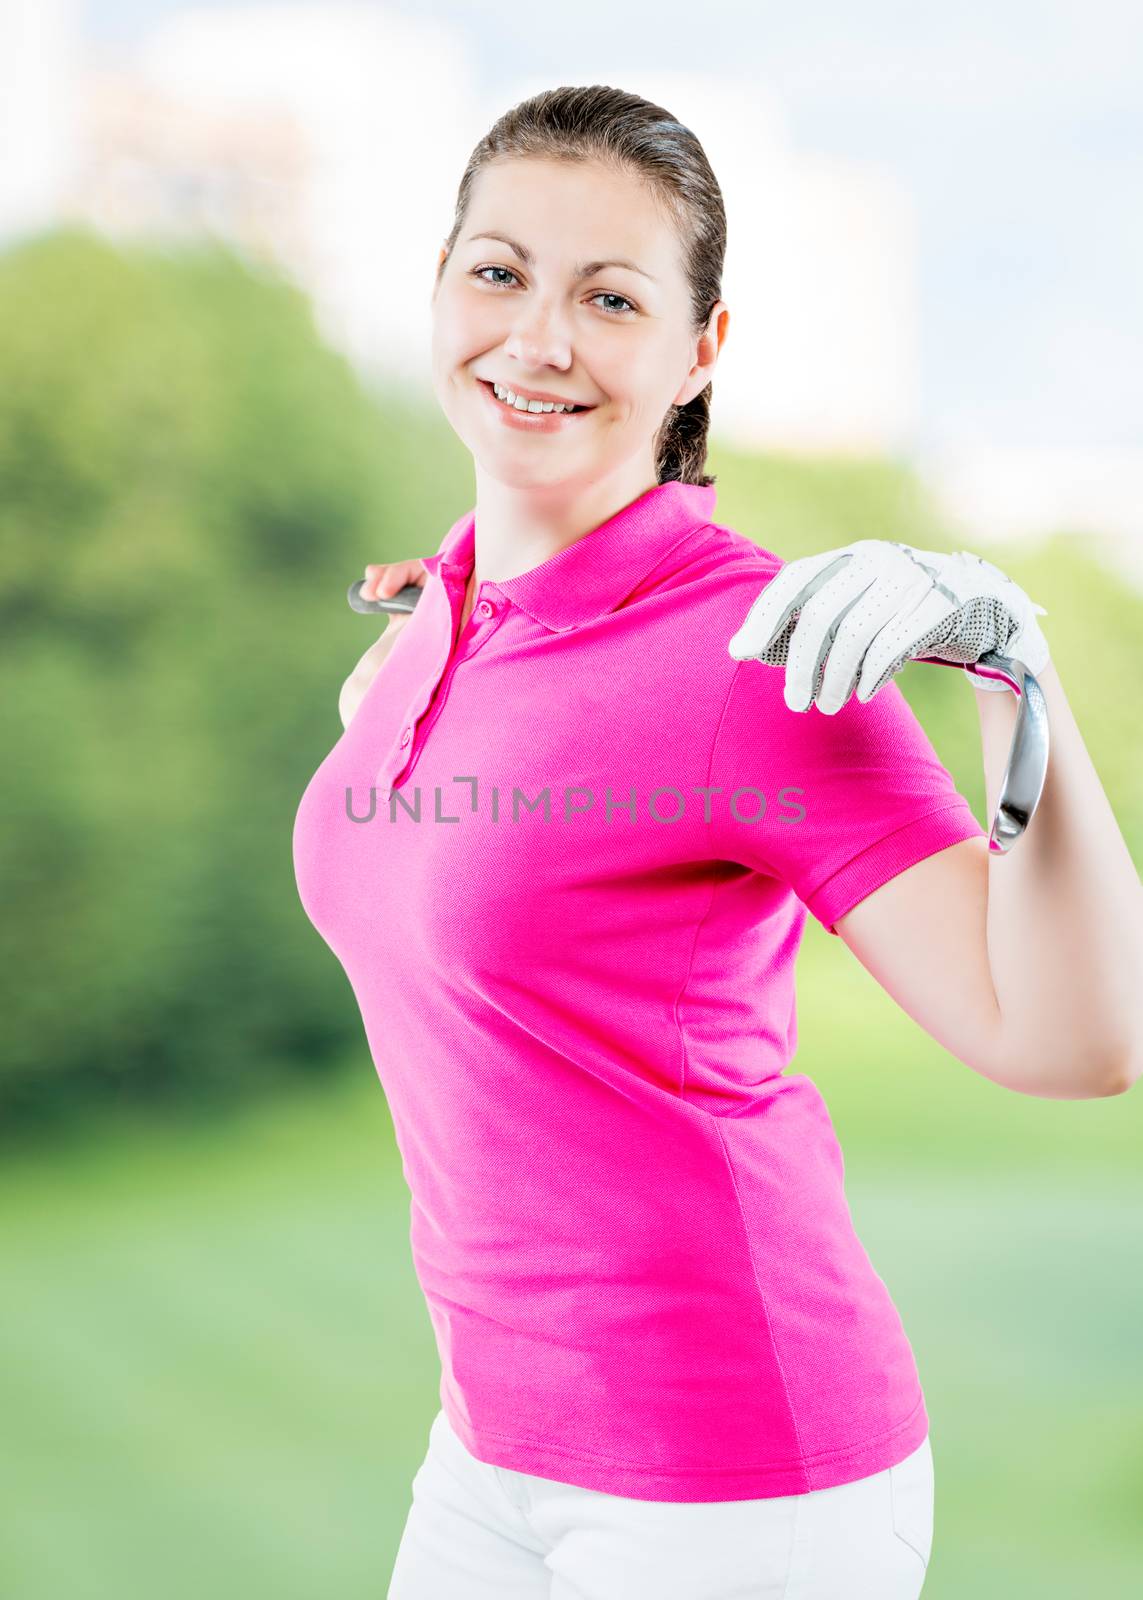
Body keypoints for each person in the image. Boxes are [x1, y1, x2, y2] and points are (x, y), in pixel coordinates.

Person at [294, 84, 1140, 1600]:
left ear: (699, 354)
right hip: (487, 1455)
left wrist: (1022, 669)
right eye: (499, 272)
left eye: (609, 298)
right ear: (439, 289)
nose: (540, 337)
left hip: (735, 1483)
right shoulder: (438, 616)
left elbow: (1072, 1039)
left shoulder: (751, 651)